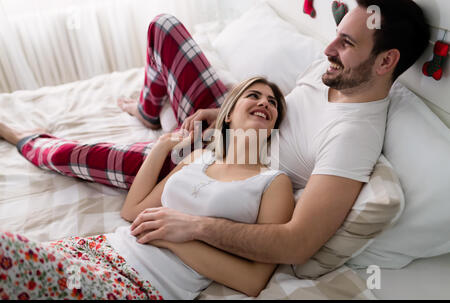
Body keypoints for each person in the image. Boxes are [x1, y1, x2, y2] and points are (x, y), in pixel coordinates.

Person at [0, 0, 429, 271]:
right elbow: (280, 107)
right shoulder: (329, 74)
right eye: (334, 35)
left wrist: (193, 226)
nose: (327, 49)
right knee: (164, 25)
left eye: (345, 43)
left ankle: (21, 137)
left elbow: (297, 244)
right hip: (234, 119)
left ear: (385, 61)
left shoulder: (355, 136)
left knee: (80, 154)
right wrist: (219, 111)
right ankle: (150, 110)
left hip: (224, 163)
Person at [0, 77, 294, 300]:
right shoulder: (197, 157)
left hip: (141, 284)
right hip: (102, 248)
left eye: (273, 103)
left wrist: (173, 236)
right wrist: (162, 147)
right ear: (228, 114)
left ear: (274, 125)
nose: (265, 103)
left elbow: (254, 280)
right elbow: (134, 211)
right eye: (254, 95)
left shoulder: (272, 183)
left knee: (8, 256)